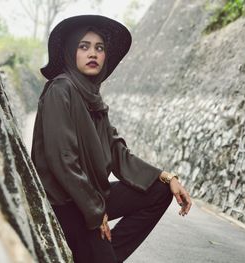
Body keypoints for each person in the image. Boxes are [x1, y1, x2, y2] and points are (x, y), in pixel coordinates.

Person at [31, 15, 191, 263]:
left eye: (99, 48)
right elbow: (63, 160)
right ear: (71, 52)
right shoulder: (60, 89)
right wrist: (96, 213)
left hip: (92, 195)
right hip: (66, 203)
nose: (92, 53)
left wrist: (167, 177)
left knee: (158, 191)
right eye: (83, 47)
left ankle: (101, 255)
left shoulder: (93, 99)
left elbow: (117, 151)